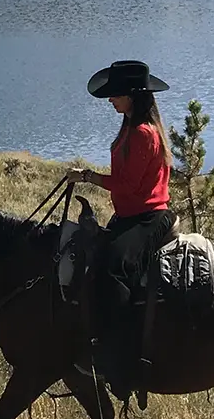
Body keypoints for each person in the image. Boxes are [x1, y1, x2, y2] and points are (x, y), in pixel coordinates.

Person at [70, 59, 173, 396]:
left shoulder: (142, 133)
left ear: (131, 95)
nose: (110, 100)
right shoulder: (132, 127)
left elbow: (127, 186)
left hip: (148, 217)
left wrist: (87, 177)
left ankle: (122, 353)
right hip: (133, 215)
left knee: (114, 269)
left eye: (115, 94)